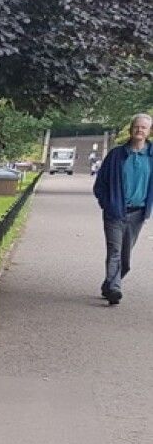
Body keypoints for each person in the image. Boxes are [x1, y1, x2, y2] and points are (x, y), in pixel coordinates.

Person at [93, 113, 153, 305]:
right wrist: (107, 203)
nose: (139, 130)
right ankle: (114, 290)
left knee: (125, 259)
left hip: (138, 213)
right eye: (137, 126)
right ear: (130, 129)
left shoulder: (151, 156)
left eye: (144, 127)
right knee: (115, 251)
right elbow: (100, 184)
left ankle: (109, 284)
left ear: (149, 131)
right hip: (115, 212)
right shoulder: (116, 155)